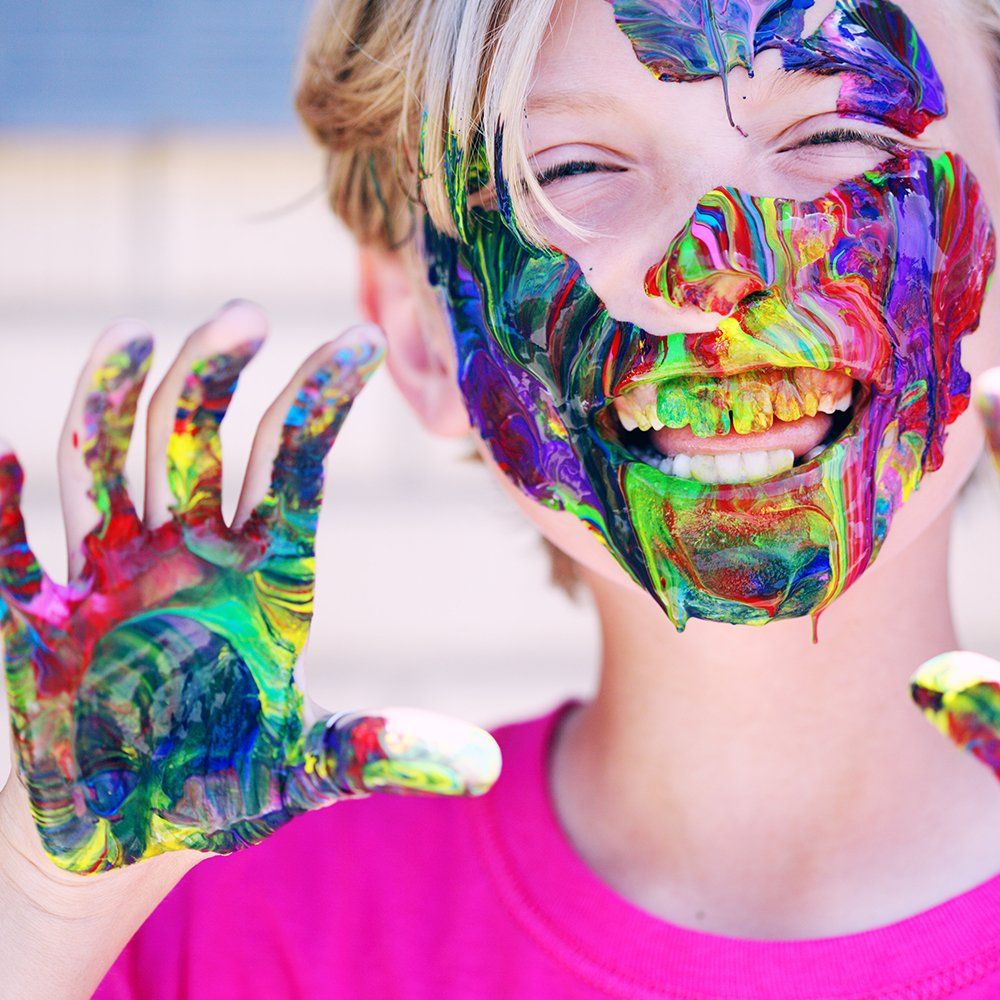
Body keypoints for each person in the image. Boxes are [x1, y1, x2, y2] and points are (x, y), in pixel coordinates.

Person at [3, 0, 1000, 996]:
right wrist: (49, 909)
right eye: (572, 170)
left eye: (834, 133)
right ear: (428, 337)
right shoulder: (217, 923)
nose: (715, 269)